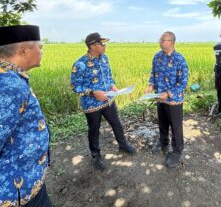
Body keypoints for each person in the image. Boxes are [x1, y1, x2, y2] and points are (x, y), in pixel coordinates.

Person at [0, 25, 52, 206]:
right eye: (40, 47)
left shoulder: (10, 77)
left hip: (27, 181)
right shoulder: (8, 86)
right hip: (16, 192)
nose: (42, 52)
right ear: (23, 50)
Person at [70, 32, 136, 171]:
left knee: (116, 123)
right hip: (92, 104)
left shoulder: (104, 58)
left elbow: (109, 76)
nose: (105, 46)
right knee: (94, 129)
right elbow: (75, 87)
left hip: (108, 100)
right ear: (93, 46)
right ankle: (96, 156)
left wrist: (113, 85)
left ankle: (123, 145)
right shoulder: (80, 64)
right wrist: (93, 92)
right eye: (102, 43)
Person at [145, 31, 188, 168]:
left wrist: (168, 93)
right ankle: (164, 143)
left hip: (174, 100)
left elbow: (183, 83)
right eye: (160, 39)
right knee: (162, 122)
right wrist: (150, 86)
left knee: (176, 127)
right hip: (159, 98)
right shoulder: (157, 57)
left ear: (171, 42)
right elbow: (153, 73)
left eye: (163, 39)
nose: (160, 41)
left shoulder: (179, 59)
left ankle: (177, 151)